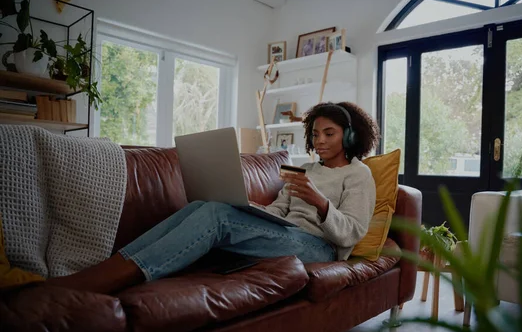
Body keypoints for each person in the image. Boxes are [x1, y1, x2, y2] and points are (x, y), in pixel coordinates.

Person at [47, 102, 379, 294]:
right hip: (286, 235)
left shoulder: (358, 174)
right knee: (205, 207)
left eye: (329, 133)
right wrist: (252, 209)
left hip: (319, 247)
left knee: (216, 218)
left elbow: (350, 233)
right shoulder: (306, 169)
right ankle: (109, 267)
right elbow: (280, 211)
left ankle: (111, 279)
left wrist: (321, 203)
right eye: (315, 134)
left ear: (349, 135)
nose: (319, 140)